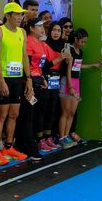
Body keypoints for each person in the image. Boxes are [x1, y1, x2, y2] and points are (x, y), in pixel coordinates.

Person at [0, 2, 32, 165]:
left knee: (14, 114)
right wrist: (0, 80)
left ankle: (8, 146)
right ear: (8, 16)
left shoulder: (22, 32)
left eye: (21, 14)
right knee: (1, 115)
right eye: (17, 14)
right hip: (4, 78)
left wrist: (29, 79)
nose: (20, 17)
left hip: (17, 79)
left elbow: (24, 56)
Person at [20, 18, 69, 157]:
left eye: (43, 26)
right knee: (30, 115)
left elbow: (44, 64)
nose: (42, 28)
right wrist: (30, 81)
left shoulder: (41, 44)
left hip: (39, 82)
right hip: (29, 82)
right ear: (31, 28)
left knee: (40, 112)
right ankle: (30, 144)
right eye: (39, 26)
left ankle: (37, 141)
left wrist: (41, 78)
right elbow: (27, 65)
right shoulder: (28, 42)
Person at [59, 28, 101, 148]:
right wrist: (70, 86)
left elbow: (78, 66)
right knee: (65, 112)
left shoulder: (80, 52)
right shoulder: (69, 49)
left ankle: (67, 136)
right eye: (82, 41)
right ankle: (62, 138)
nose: (83, 44)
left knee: (72, 112)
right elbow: (68, 70)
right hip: (67, 81)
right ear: (76, 39)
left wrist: (93, 65)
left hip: (76, 82)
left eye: (85, 42)